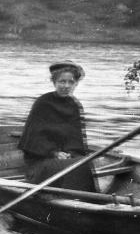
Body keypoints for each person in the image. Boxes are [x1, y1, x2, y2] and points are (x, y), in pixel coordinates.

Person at [18, 60, 96, 192]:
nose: (66, 86)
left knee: (83, 163)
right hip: (40, 160)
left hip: (65, 156)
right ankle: (69, 197)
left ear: (76, 84)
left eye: (71, 82)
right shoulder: (42, 103)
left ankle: (79, 199)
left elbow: (75, 139)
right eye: (62, 81)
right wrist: (54, 153)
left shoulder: (74, 105)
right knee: (72, 166)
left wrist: (70, 153)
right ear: (54, 82)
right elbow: (32, 139)